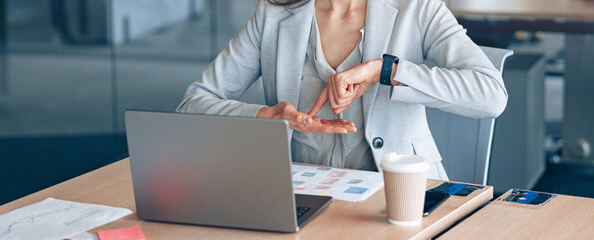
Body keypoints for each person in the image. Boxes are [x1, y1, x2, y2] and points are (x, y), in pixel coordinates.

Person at [177, 0, 507, 180]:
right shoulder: (274, 14)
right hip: (303, 200)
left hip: (401, 200)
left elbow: (491, 95)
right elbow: (193, 103)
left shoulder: (418, 8)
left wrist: (385, 70)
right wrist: (268, 114)